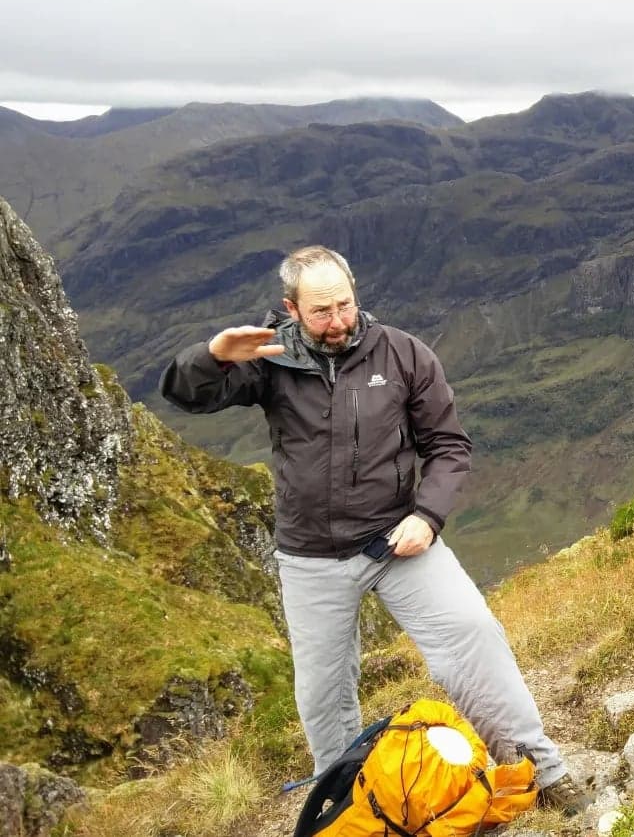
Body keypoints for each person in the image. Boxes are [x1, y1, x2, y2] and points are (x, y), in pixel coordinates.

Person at [160, 246, 589, 814]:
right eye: (321, 312)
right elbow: (186, 395)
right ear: (291, 308)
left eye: (344, 305)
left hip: (397, 540)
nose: (337, 321)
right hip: (311, 554)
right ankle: (350, 807)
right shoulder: (267, 359)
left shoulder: (404, 353)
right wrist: (212, 356)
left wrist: (427, 517)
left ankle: (539, 769)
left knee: (473, 636)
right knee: (323, 695)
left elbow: (448, 446)